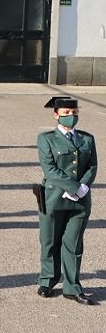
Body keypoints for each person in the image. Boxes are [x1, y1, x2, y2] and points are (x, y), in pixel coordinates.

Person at [36, 96, 97, 305]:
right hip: (54, 198)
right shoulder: (46, 139)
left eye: (74, 113)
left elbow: (92, 166)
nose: (71, 116)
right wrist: (73, 187)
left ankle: (72, 287)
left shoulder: (87, 139)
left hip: (80, 201)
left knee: (74, 244)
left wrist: (83, 187)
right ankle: (47, 280)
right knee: (50, 241)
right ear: (56, 115)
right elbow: (49, 169)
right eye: (66, 113)